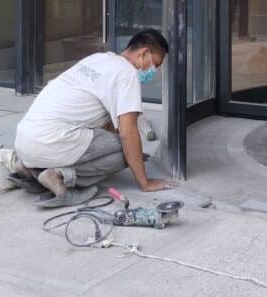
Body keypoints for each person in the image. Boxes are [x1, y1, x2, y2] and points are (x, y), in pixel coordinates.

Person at [13, 29, 178, 208]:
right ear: (144, 53)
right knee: (130, 153)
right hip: (50, 140)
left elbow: (109, 124)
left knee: (125, 148)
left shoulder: (99, 59)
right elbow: (127, 133)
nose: (153, 71)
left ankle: (32, 170)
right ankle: (60, 175)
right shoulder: (127, 74)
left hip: (24, 141)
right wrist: (145, 182)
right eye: (155, 64)